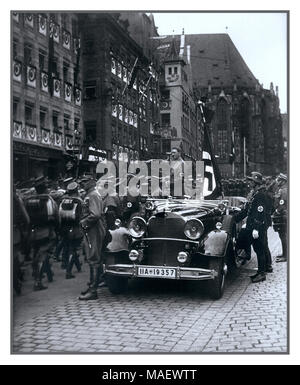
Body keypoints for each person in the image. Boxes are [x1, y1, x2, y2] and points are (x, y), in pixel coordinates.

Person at [234, 171, 271, 283]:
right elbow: (247, 210)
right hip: (253, 225)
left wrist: (256, 228)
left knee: (259, 249)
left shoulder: (260, 195)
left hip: (258, 226)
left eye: (252, 182)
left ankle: (261, 273)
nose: (250, 183)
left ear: (256, 183)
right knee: (254, 246)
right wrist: (235, 218)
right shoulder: (256, 193)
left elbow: (260, 212)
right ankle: (260, 271)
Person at [24, 176, 58, 291]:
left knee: (36, 254)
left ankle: (47, 274)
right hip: (46, 231)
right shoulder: (48, 199)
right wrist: (56, 230)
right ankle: (38, 282)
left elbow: (25, 218)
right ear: (45, 188)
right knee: (43, 255)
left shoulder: (28, 200)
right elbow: (55, 216)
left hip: (32, 233)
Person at [78, 176, 106, 300]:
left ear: (91, 182)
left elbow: (95, 214)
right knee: (93, 258)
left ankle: (93, 291)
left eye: (84, 182)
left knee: (93, 258)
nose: (82, 184)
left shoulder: (93, 195)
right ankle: (92, 286)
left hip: (93, 229)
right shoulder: (91, 194)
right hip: (92, 229)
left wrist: (84, 222)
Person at [58, 182, 83, 279]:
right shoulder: (79, 201)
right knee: (75, 250)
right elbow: (81, 216)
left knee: (69, 247)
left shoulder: (63, 200)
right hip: (76, 229)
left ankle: (78, 267)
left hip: (65, 229)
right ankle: (68, 271)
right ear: (76, 190)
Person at [13, 186, 30, 294]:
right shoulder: (14, 197)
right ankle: (16, 283)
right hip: (13, 231)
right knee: (14, 258)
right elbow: (26, 218)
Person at [273, 173, 288, 263]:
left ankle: (285, 255)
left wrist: (277, 211)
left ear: (283, 181)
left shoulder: (284, 191)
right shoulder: (281, 190)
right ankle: (284, 254)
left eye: (279, 180)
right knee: (282, 235)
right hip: (281, 215)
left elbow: (282, 204)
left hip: (283, 215)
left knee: (283, 235)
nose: (277, 181)